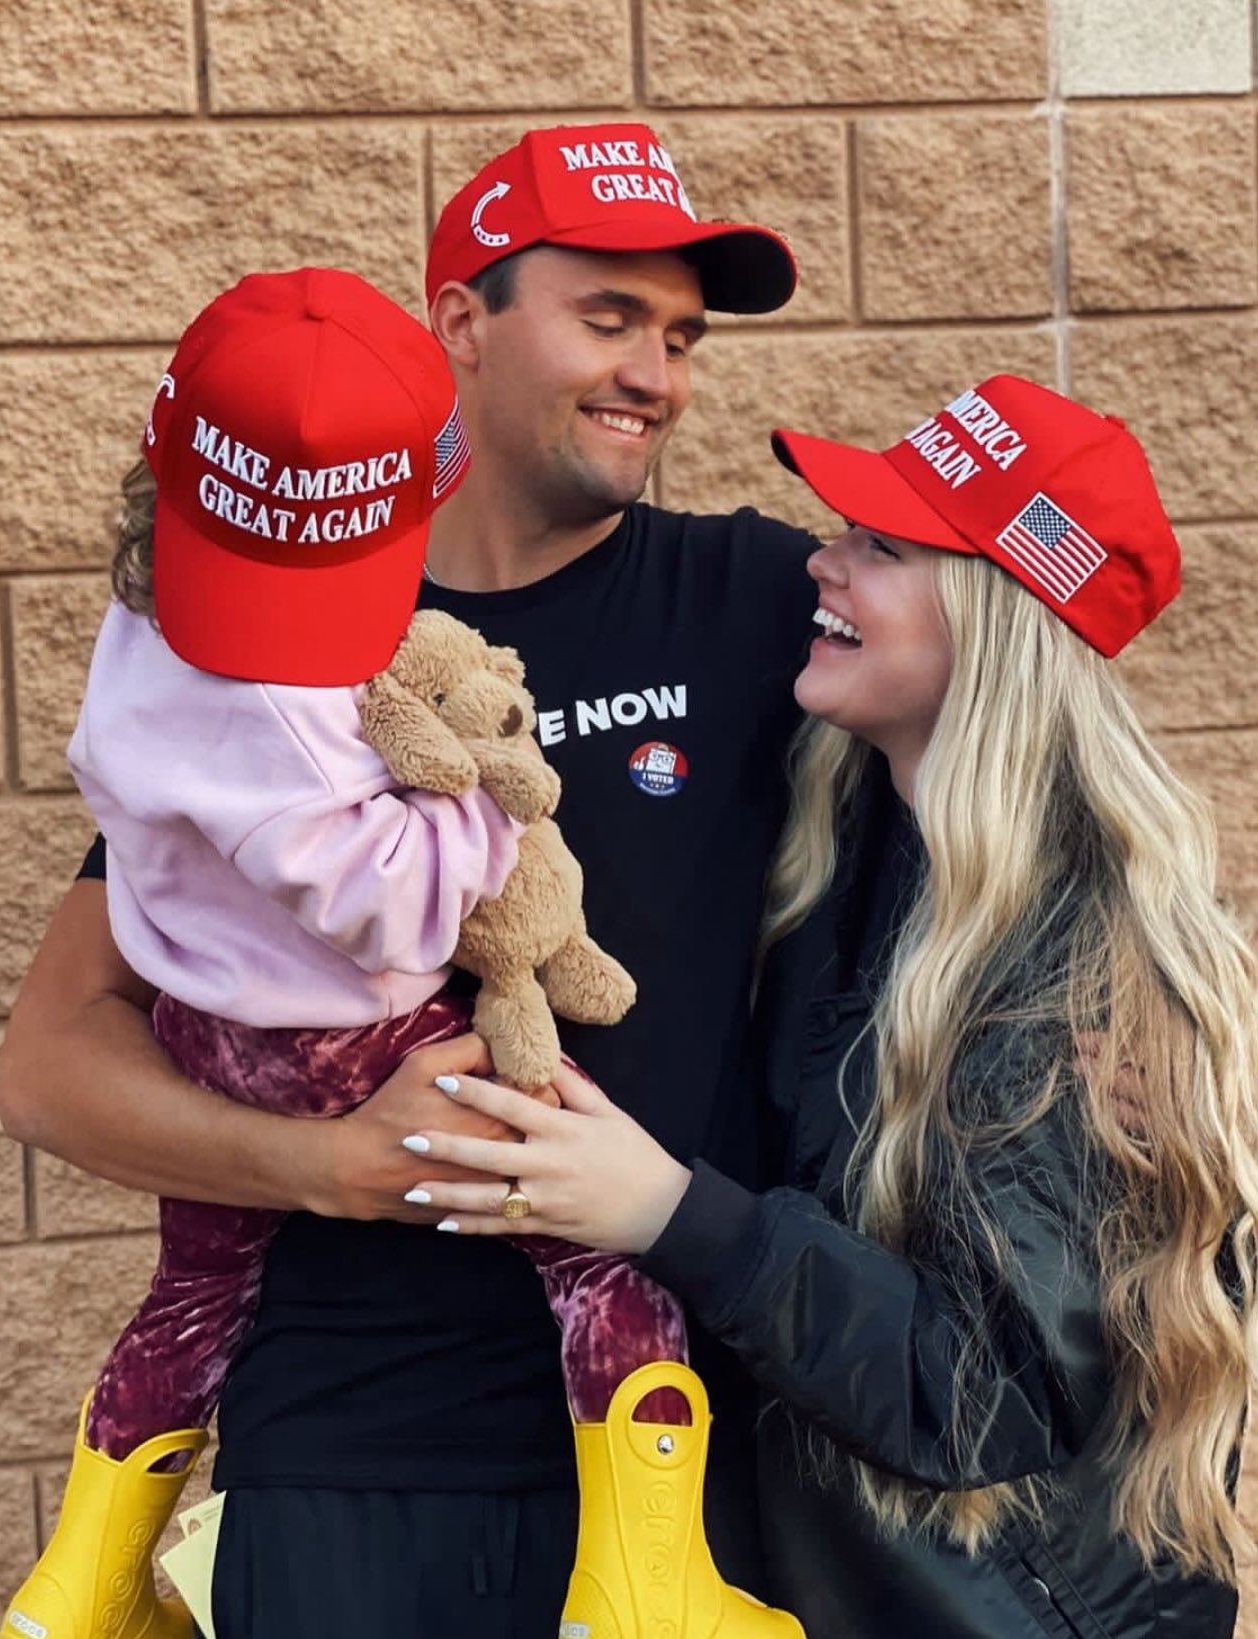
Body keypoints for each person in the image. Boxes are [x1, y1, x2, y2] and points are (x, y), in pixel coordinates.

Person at [0, 123, 817, 1636]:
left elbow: (1003, 723)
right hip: (342, 1465)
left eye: (682, 336)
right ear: (461, 321)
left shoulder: (753, 597)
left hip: (666, 1466)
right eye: (610, 317)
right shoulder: (276, 637)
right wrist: (327, 1162)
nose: (657, 373)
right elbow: (50, 1071)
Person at [405, 375, 1258, 1637]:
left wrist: (665, 1209)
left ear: (997, 621)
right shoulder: (858, 840)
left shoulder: (1076, 958)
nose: (825, 561)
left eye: (885, 548)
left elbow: (983, 1393)